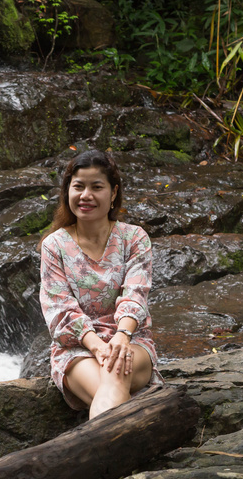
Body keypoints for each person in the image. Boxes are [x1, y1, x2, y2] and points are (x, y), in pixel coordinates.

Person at [39, 149, 161, 418]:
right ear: (67, 191)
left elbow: (136, 294)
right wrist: (97, 345)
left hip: (131, 341)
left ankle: (96, 453)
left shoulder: (134, 238)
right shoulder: (55, 246)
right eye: (78, 187)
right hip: (78, 349)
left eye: (96, 187)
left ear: (113, 192)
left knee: (115, 374)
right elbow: (60, 310)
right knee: (114, 382)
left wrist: (121, 336)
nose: (86, 196)